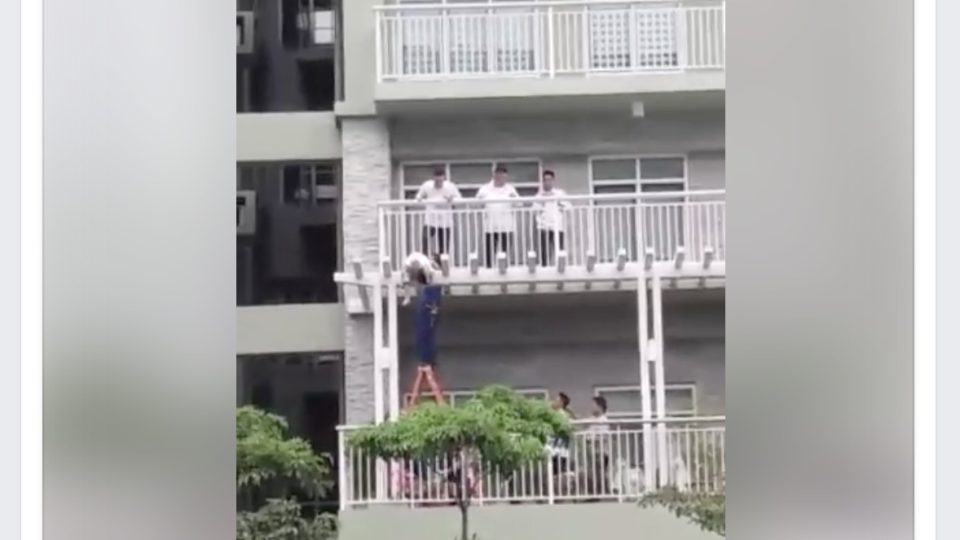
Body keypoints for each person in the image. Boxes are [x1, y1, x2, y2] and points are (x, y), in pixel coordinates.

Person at [475, 165, 520, 268]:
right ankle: (490, 272)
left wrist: (514, 199)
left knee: (505, 251)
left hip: (506, 226)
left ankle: (504, 271)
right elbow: (475, 204)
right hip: (490, 226)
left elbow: (520, 204)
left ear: (506, 176)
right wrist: (480, 200)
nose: (500, 177)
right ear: (494, 175)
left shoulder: (510, 189)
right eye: (498, 174)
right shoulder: (485, 188)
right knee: (489, 251)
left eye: (502, 175)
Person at [414, 167, 461, 256]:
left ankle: (441, 264)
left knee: (443, 247)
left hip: (445, 221)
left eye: (440, 181)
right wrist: (419, 198)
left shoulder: (450, 187)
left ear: (444, 178)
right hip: (430, 220)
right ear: (433, 178)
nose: (438, 183)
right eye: (436, 181)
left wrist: (452, 199)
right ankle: (426, 260)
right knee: (425, 239)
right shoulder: (427, 185)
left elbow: (459, 199)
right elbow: (419, 195)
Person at [533, 170, 571, 266]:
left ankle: (561, 269)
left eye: (549, 180)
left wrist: (559, 202)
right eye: (545, 180)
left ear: (553, 180)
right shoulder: (539, 195)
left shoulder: (560, 193)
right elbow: (534, 211)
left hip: (558, 226)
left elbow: (569, 207)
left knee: (559, 250)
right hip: (543, 227)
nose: (547, 182)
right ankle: (545, 270)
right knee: (544, 252)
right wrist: (542, 202)